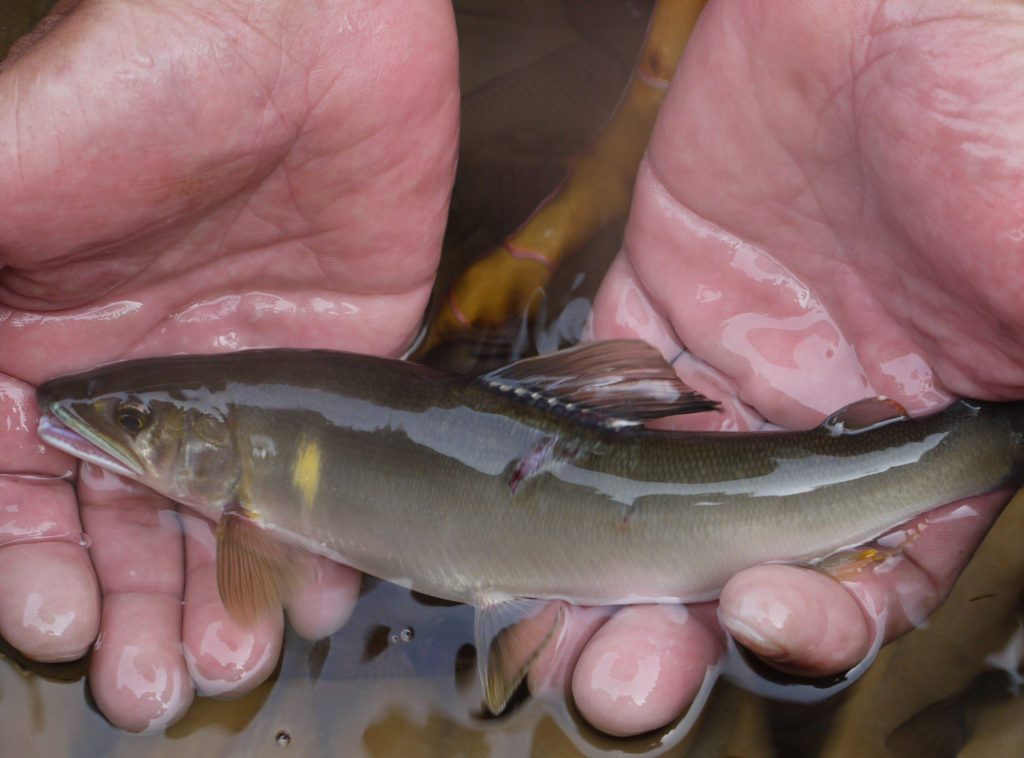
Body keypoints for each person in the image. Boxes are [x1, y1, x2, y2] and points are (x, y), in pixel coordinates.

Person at [1, 0, 1022, 737]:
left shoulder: (246, 521)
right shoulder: (249, 485)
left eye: (138, 425)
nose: (116, 433)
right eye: (137, 423)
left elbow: (248, 587)